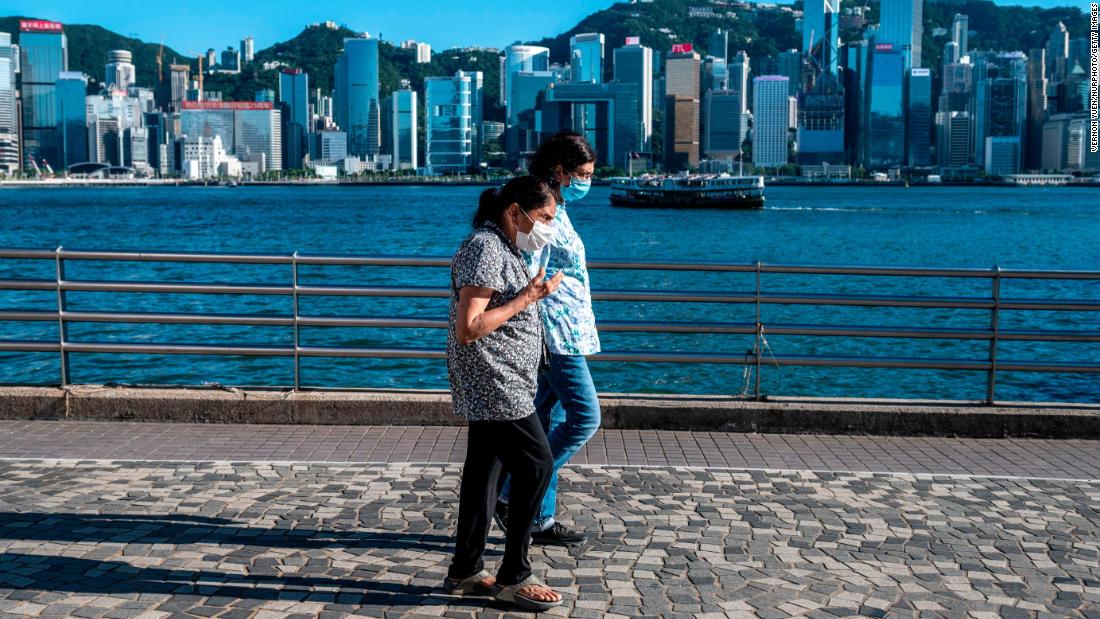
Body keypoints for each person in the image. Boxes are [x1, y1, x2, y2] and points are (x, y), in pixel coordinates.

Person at [443, 175, 567, 611]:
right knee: (537, 465)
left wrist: (533, 296)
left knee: (486, 473)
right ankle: (515, 573)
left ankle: (465, 569)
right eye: (545, 217)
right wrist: (527, 297)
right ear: (515, 211)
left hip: (502, 377)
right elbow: (469, 327)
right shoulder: (485, 247)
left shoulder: (503, 245)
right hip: (494, 380)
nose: (549, 226)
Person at [496, 131, 600, 547]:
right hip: (556, 334)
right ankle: (511, 493)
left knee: (547, 422)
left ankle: (538, 519)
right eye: (584, 174)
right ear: (560, 171)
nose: (588, 182)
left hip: (567, 329)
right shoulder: (543, 208)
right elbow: (528, 264)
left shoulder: (558, 207)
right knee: (584, 417)